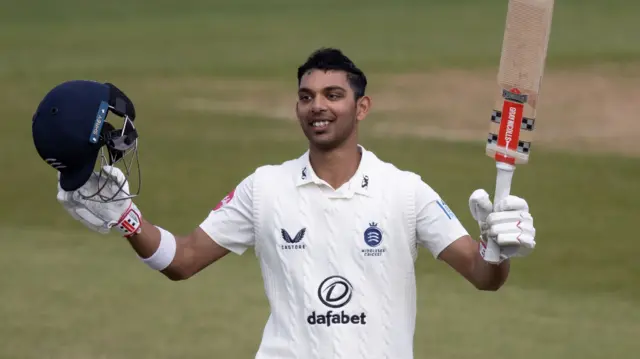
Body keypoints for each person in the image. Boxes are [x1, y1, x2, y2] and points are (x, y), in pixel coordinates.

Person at [33, 48, 536, 359]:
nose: (318, 105)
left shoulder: (404, 190)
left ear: (361, 107)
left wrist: (496, 247)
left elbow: (483, 277)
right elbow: (181, 260)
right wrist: (127, 219)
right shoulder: (264, 188)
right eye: (307, 95)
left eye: (334, 94)